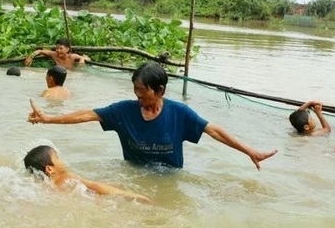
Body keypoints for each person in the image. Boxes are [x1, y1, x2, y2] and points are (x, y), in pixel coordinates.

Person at [27, 62, 278, 170]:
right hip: (134, 174)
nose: (136, 94)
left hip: (170, 177)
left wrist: (250, 151)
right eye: (134, 89)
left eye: (142, 90)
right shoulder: (123, 111)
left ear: (159, 91)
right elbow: (87, 115)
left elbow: (214, 131)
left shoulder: (179, 113)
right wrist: (48, 119)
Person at [24, 145, 151, 203]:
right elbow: (95, 186)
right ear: (49, 169)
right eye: (57, 157)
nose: (61, 160)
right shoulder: (67, 177)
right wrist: (131, 195)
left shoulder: (44, 187)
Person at [24, 38, 90, 70]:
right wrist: (31, 56)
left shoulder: (72, 57)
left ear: (67, 49)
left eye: (61, 49)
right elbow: (40, 51)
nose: (58, 50)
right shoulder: (54, 55)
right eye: (57, 48)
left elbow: (87, 59)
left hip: (71, 76)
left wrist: (82, 58)